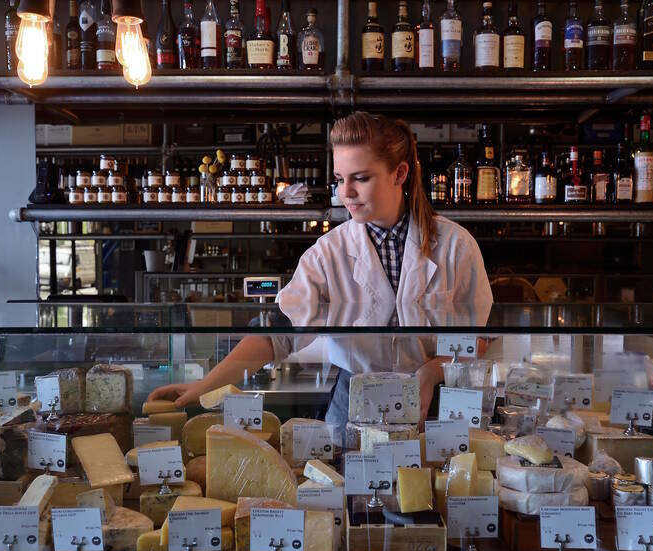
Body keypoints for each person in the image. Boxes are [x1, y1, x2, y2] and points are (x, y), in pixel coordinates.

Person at [149, 112, 493, 426]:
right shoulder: (327, 253)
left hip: (435, 400)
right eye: (341, 178)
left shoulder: (455, 246)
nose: (347, 192)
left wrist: (432, 373)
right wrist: (203, 387)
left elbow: (478, 336)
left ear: (399, 173)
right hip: (354, 401)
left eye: (361, 178)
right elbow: (277, 335)